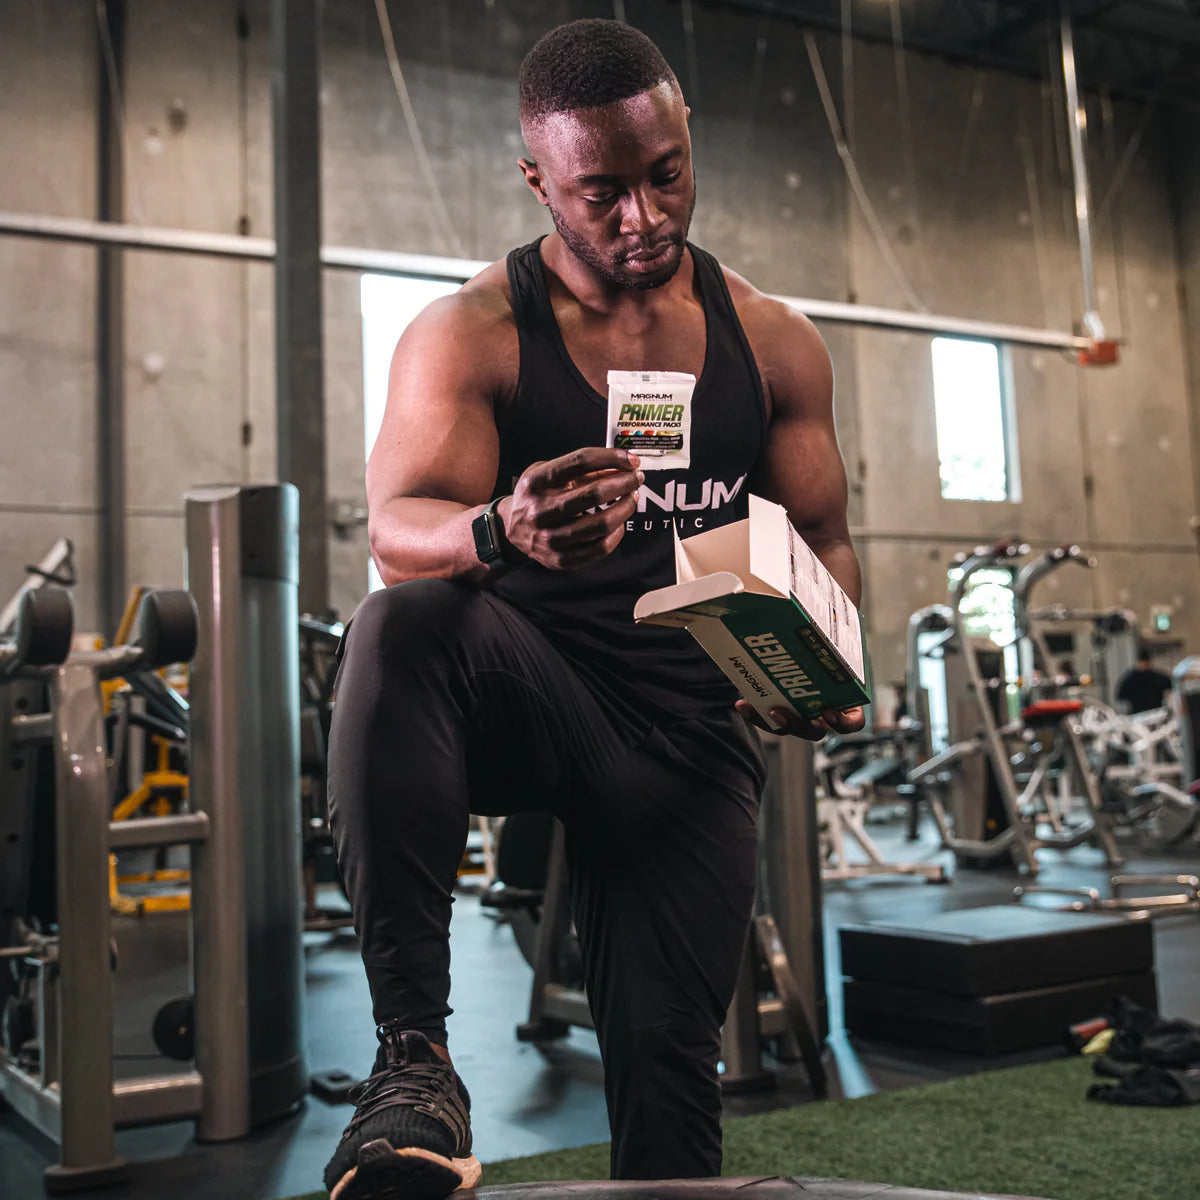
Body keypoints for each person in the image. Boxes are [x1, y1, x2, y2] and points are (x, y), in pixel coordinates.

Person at [323, 19, 865, 1200]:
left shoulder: (773, 341)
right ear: (538, 181)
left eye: (664, 176)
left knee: (675, 1094)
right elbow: (394, 527)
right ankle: (414, 1066)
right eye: (601, 192)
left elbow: (823, 534)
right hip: (531, 697)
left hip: (685, 734)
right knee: (402, 626)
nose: (642, 218)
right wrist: (494, 528)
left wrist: (822, 662)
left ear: (686, 143)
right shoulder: (471, 331)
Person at [1116, 649, 1173, 714]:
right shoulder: (1131, 678)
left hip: (1153, 713)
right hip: (1144, 713)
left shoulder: (1131, 678)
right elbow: (1120, 695)